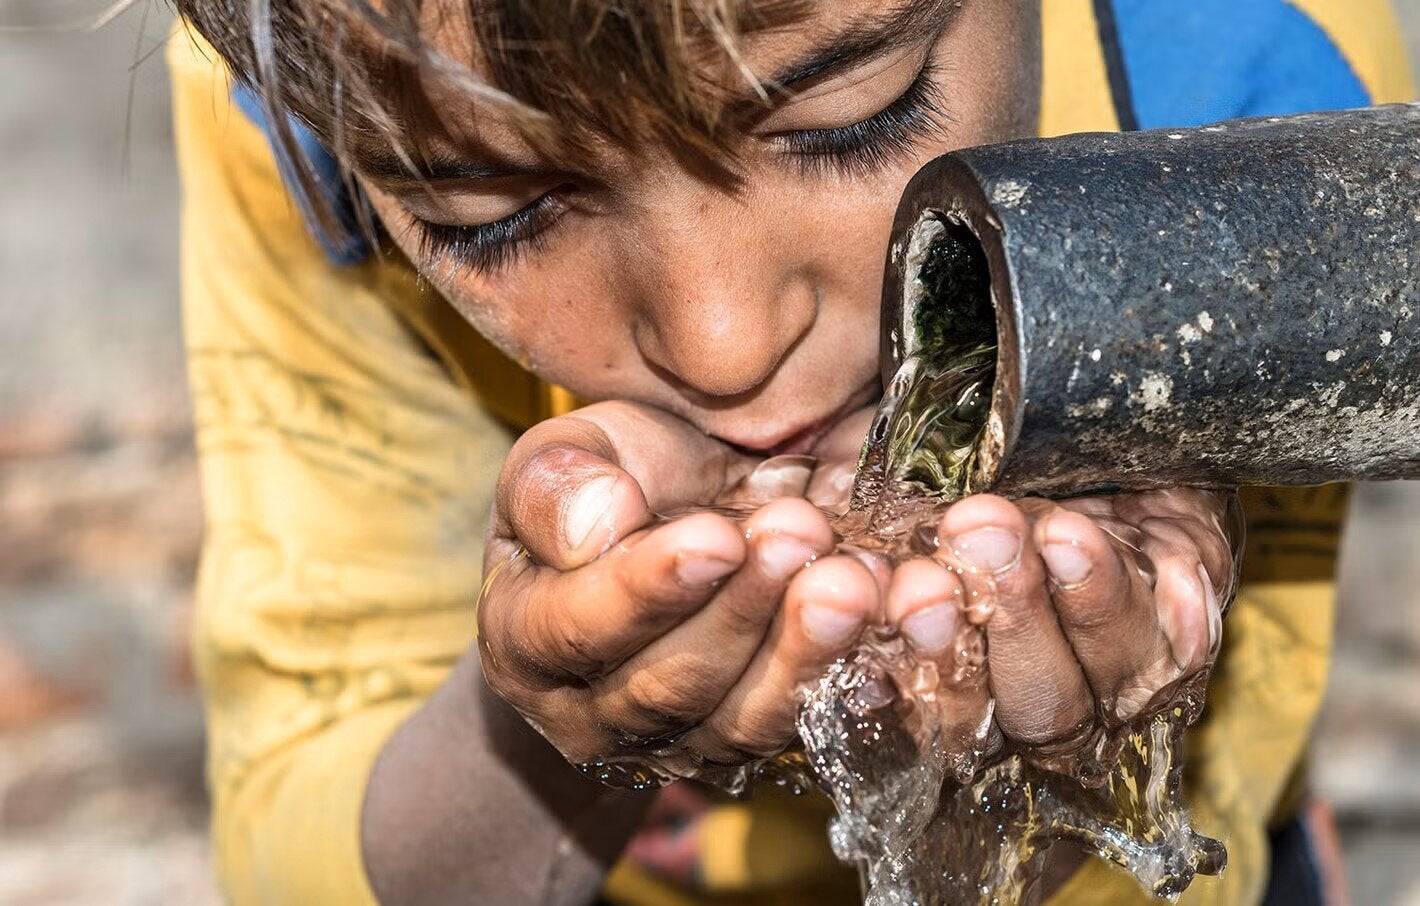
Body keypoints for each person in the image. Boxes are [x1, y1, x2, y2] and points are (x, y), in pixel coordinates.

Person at [165, 1, 1412, 903]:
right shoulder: (330, 69)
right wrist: (555, 715)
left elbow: (1204, 859)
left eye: (843, 116)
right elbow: (298, 839)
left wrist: (1079, 773)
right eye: (492, 213)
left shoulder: (1260, 103)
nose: (723, 346)